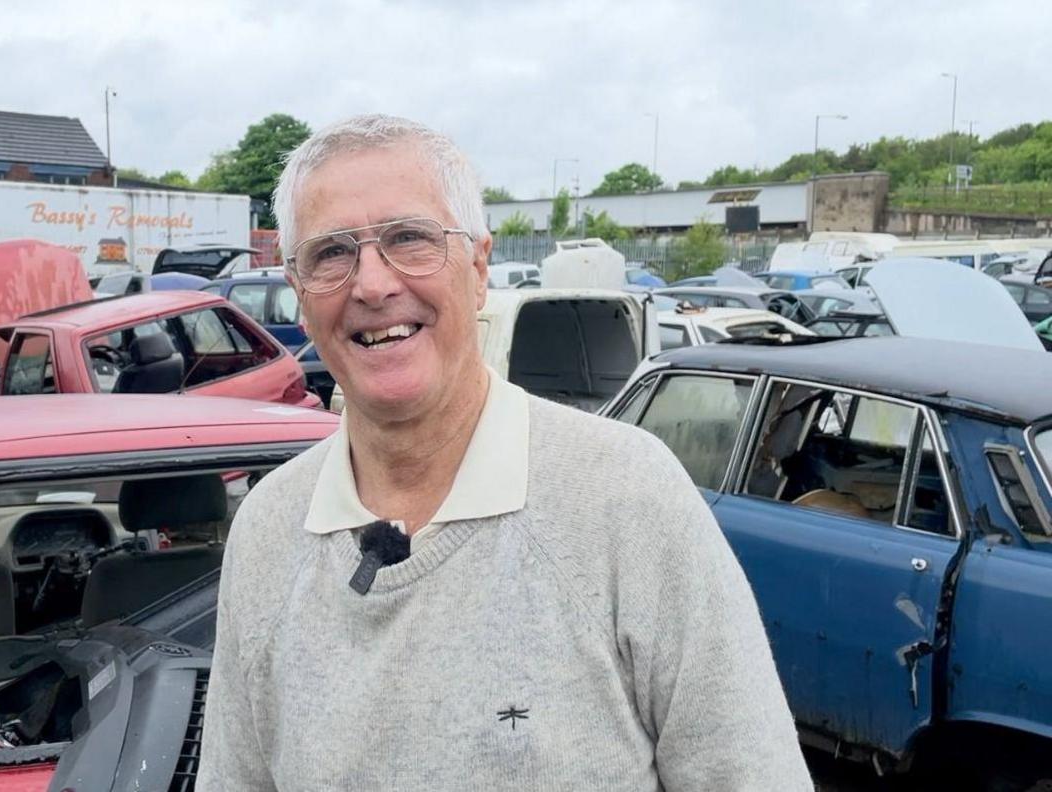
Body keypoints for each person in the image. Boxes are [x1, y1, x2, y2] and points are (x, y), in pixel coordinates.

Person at [200, 114, 811, 791]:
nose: (372, 285)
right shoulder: (267, 532)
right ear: (302, 294)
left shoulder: (626, 498)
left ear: (479, 268)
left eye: (410, 238)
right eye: (331, 253)